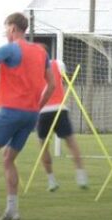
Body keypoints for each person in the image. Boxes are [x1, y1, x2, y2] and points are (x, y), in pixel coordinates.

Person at [0, 13, 55, 220]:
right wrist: (37, 107)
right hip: (30, 114)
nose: (5, 32)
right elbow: (51, 85)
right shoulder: (41, 52)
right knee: (8, 159)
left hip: (11, 111)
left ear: (13, 28)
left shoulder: (8, 49)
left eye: (6, 28)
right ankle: (12, 211)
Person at [36, 59, 89, 192]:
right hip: (59, 109)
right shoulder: (58, 63)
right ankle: (81, 176)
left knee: (43, 146)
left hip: (43, 110)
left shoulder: (31, 66)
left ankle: (51, 180)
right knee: (71, 143)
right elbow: (63, 79)